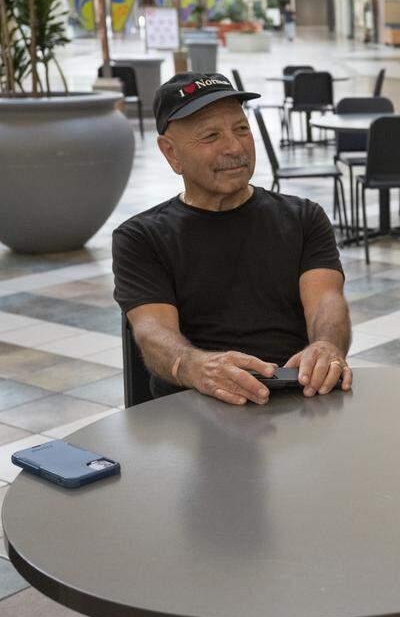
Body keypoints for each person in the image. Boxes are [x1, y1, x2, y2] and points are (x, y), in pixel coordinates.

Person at [112, 72, 352, 406]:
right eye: (211, 136)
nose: (235, 147)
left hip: (297, 398)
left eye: (241, 129)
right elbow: (153, 332)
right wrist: (197, 366)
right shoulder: (141, 237)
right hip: (192, 405)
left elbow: (327, 301)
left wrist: (327, 345)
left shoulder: (303, 218)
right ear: (171, 153)